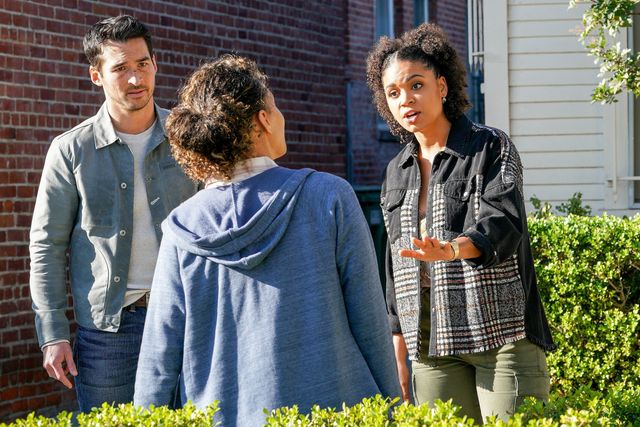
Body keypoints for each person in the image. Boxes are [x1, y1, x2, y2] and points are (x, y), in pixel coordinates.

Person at [133, 54, 401, 426]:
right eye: (275, 107)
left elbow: (160, 354)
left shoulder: (183, 227)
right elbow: (370, 321)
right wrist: (392, 409)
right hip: (334, 414)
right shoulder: (329, 196)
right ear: (263, 119)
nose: (281, 117)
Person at [365, 23, 556, 422]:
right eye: (393, 92)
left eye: (416, 85)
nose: (406, 99)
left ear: (442, 86)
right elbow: (394, 266)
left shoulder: (490, 146)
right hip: (430, 342)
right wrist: (398, 349)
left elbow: (503, 223)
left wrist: (452, 249)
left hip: (501, 334)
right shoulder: (395, 171)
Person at [29, 15, 197, 412]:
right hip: (109, 333)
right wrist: (53, 332)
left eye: (142, 64)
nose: (136, 79)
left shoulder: (189, 139)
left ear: (155, 64)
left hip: (188, 319)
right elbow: (47, 245)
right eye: (120, 68)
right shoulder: (71, 150)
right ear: (96, 76)